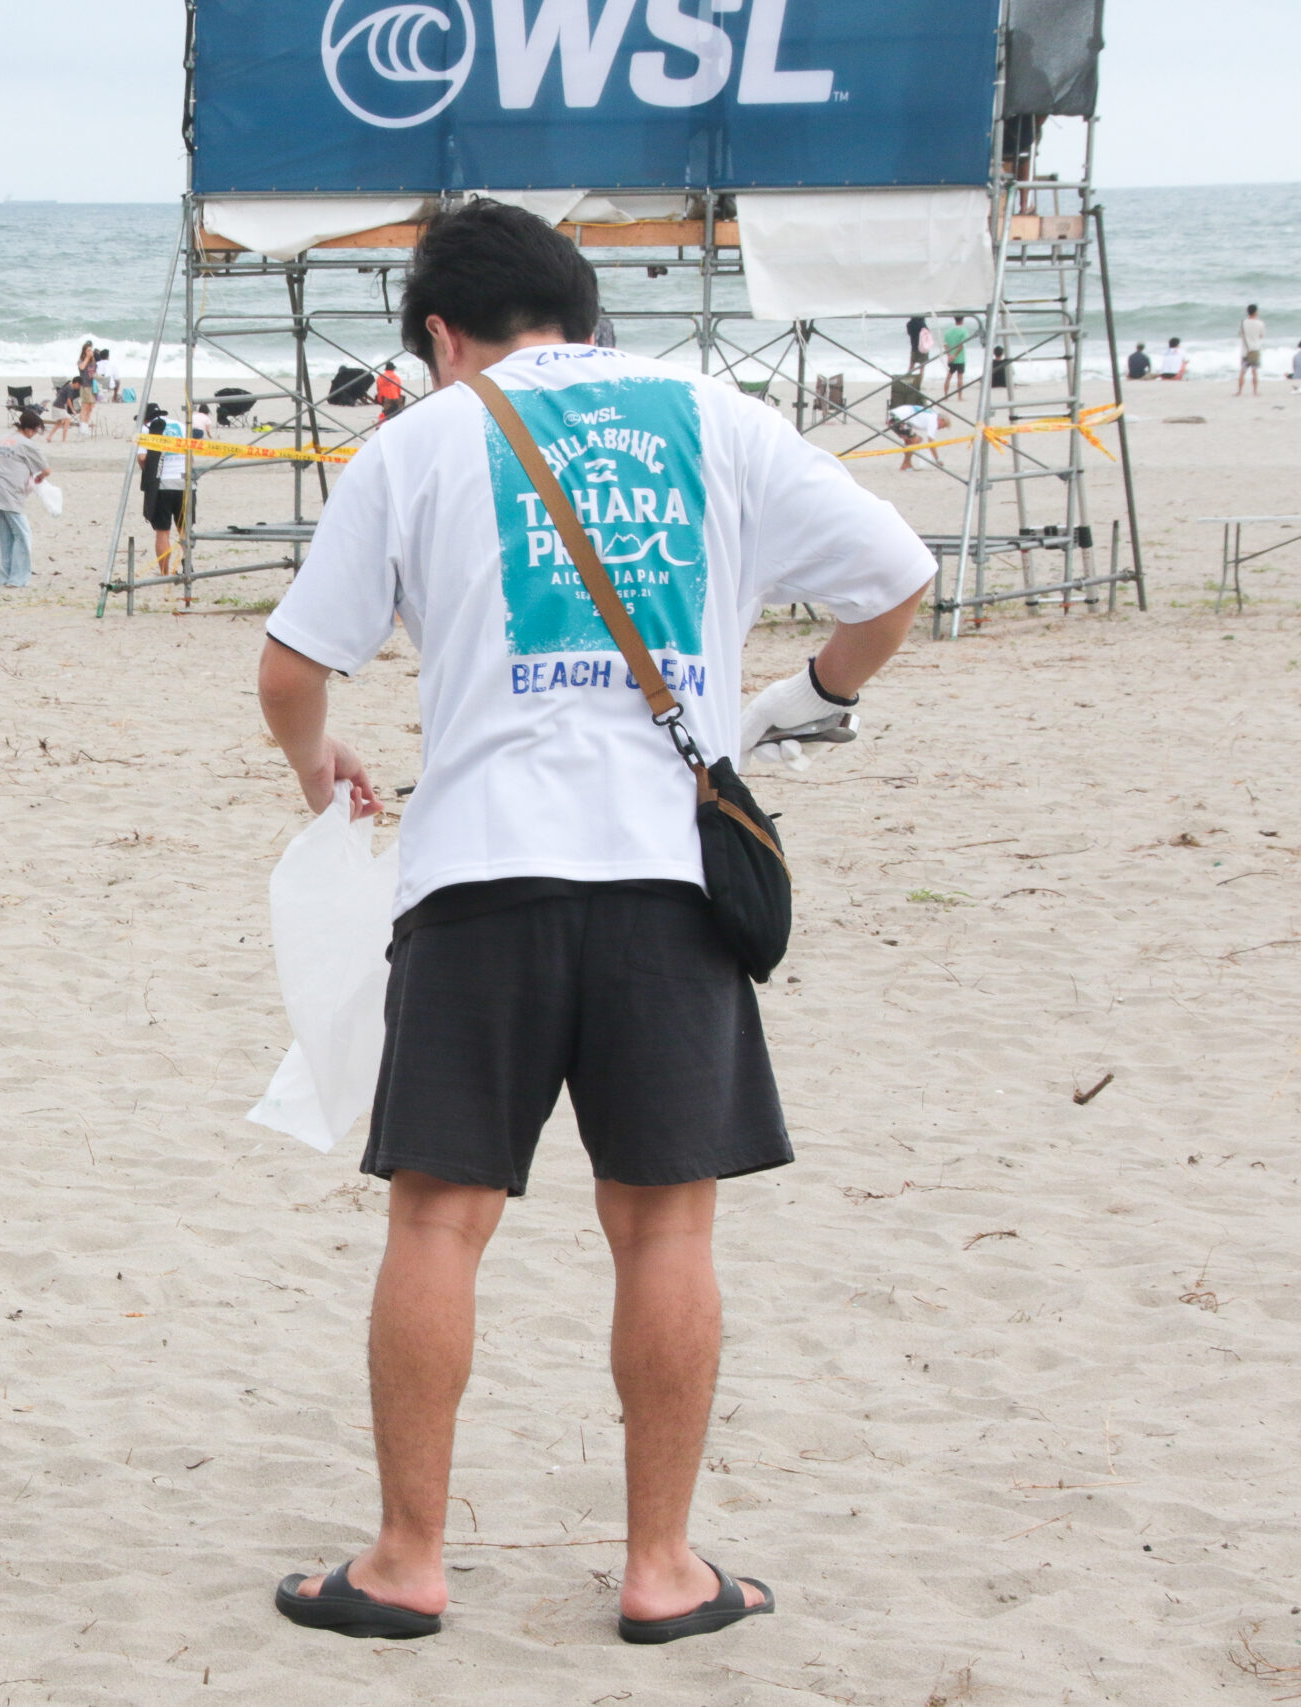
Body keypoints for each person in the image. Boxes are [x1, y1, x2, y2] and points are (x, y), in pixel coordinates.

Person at [255, 199, 929, 1646]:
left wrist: (319, 767)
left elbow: (291, 668)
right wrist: (806, 698)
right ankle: (661, 1566)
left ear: (441, 334)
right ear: (583, 309)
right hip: (668, 880)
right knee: (665, 1225)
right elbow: (897, 580)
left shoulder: (418, 441)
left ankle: (408, 1559)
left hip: (477, 876)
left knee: (439, 1218)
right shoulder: (717, 417)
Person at [0, 408, 50, 589]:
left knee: (4, 537)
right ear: (29, 429)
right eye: (35, 431)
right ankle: (18, 579)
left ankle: (5, 577)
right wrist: (39, 477)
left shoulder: (3, 441)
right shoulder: (26, 444)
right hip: (10, 492)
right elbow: (46, 469)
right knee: (22, 535)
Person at [139, 402, 190, 587]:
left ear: (145, 419)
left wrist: (148, 472)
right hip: (185, 482)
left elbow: (142, 457)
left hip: (162, 484)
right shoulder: (181, 426)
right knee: (184, 530)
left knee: (162, 532)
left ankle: (164, 573)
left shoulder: (147, 430)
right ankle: (188, 567)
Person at [1237, 305, 1266, 397]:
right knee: (1254, 372)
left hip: (1245, 351)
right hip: (1255, 349)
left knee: (1242, 372)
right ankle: (1255, 391)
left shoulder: (1243, 323)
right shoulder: (1260, 323)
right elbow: (1261, 335)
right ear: (1255, 312)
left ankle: (1239, 391)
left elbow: (1240, 334)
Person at [941, 314, 971, 399]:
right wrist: (955, 355)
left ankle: (946, 396)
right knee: (960, 378)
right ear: (962, 320)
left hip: (951, 358)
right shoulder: (964, 331)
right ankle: (959, 397)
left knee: (948, 377)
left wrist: (949, 355)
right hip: (960, 358)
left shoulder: (948, 331)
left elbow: (945, 345)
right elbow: (962, 345)